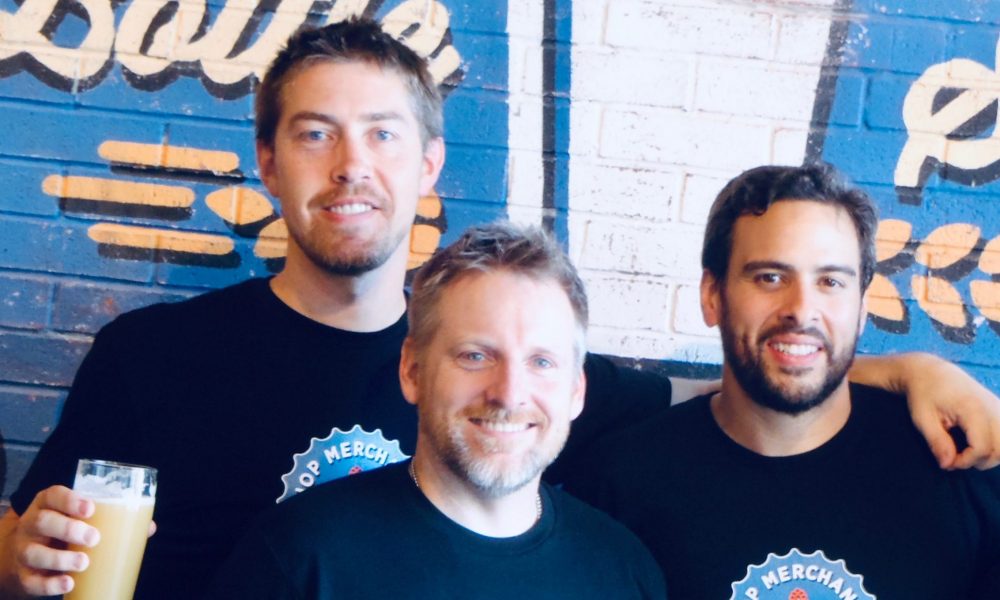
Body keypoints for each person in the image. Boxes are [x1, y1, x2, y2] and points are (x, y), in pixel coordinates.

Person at [0, 18, 997, 599]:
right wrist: (15, 561)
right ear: (267, 160)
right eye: (314, 134)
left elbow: (736, 383)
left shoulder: (525, 378)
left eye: (383, 134)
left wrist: (897, 369)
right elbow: (28, 544)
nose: (351, 167)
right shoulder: (153, 356)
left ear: (430, 163)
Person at [568, 164, 1000, 600]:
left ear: (862, 308)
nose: (801, 308)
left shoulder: (960, 469)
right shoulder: (620, 486)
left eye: (831, 281)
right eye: (770, 278)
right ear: (712, 295)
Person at [208, 222, 667, 599]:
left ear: (576, 391)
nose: (509, 394)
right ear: (412, 371)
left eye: (541, 362)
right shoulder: (300, 557)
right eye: (475, 355)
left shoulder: (623, 571)